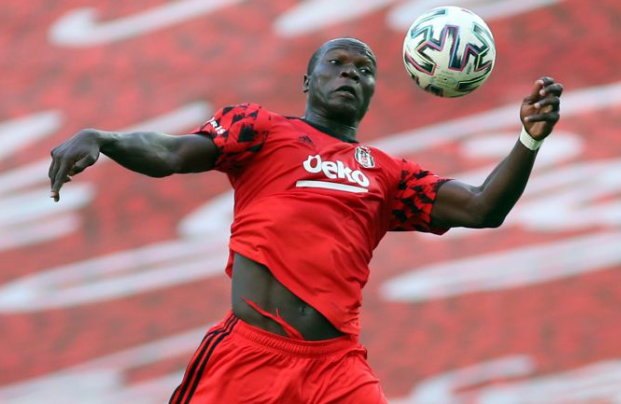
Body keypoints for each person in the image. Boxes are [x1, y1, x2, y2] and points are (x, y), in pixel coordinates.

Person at [48, 37, 563, 403]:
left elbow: (482, 207)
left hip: (337, 369)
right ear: (308, 80)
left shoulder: (388, 173)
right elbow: (171, 153)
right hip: (250, 357)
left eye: (364, 70)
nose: (351, 73)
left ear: (372, 92)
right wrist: (105, 139)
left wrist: (530, 139)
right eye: (336, 63)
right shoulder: (261, 129)